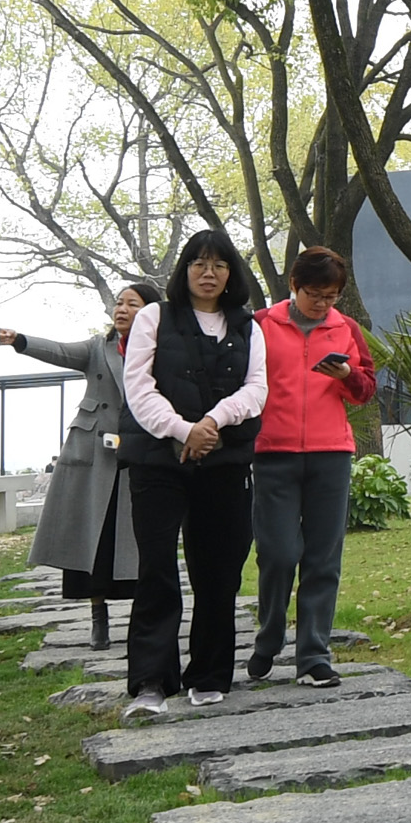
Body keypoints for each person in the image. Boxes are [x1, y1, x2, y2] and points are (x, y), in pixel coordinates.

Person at [114, 228, 264, 714]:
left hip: (225, 459)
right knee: (157, 567)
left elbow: (256, 389)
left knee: (219, 570)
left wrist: (213, 423)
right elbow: (138, 388)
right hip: (158, 460)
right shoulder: (154, 317)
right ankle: (152, 681)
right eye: (199, 263)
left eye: (219, 264)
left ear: (231, 273)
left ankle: (210, 672)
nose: (208, 272)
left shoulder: (247, 326)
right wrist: (182, 430)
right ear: (185, 269)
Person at [247, 246, 377, 688]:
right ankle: (268, 638)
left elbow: (366, 390)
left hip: (331, 455)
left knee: (323, 558)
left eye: (332, 296)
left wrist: (346, 376)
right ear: (293, 286)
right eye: (315, 294)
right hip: (273, 454)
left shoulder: (347, 330)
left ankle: (314, 656)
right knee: (278, 554)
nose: (323, 304)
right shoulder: (260, 326)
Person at [1, 285, 145, 620]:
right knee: (94, 530)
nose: (122, 309)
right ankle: (98, 613)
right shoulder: (99, 347)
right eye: (119, 303)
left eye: (132, 304)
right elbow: (61, 352)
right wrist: (21, 340)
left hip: (141, 449)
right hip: (96, 451)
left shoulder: (159, 349)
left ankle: (143, 616)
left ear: (151, 312)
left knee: (137, 534)